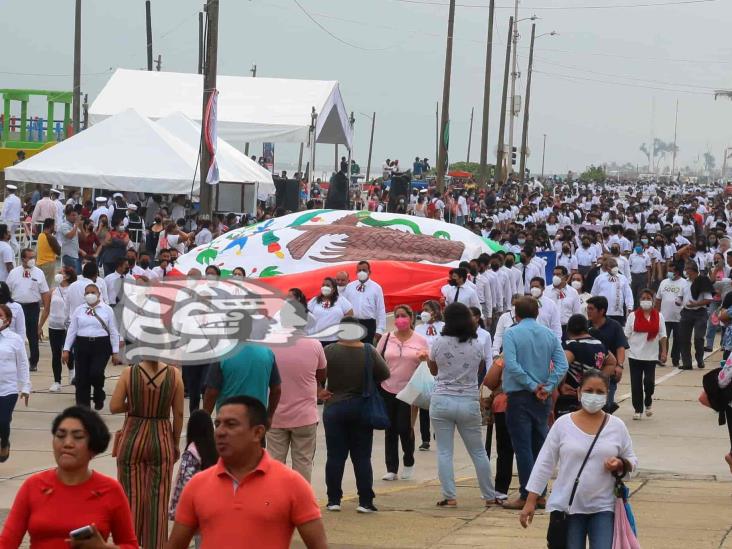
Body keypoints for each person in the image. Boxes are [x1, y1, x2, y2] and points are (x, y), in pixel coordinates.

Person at [165, 395, 327, 549]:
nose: (220, 432)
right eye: (218, 424)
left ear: (258, 432)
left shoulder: (293, 485)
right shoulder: (197, 485)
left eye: (231, 424)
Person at [519, 372, 638, 549]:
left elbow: (633, 463)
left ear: (607, 395)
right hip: (569, 508)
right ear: (579, 392)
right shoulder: (562, 424)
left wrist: (621, 464)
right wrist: (530, 500)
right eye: (589, 390)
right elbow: (544, 463)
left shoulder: (617, 426)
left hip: (604, 507)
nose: (594, 396)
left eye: (600, 392)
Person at [0, 406, 138, 548]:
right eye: (60, 435)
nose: (67, 443)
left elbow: (130, 544)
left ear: (94, 446)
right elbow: (6, 542)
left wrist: (103, 548)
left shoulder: (110, 490)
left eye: (78, 437)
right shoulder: (33, 485)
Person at [428, 302, 503, 507]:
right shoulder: (477, 343)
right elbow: (479, 368)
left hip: (442, 398)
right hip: (468, 399)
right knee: (478, 451)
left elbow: (434, 370)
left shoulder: (438, 341)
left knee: (444, 451)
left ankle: (449, 495)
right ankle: (489, 495)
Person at [502, 297, 569, 510]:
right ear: (537, 314)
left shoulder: (511, 333)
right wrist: (548, 387)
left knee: (522, 448)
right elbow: (562, 364)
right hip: (542, 397)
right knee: (540, 446)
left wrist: (532, 385)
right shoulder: (548, 334)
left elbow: (511, 365)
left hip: (521, 394)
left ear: (516, 314)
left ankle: (527, 493)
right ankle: (540, 492)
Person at [111, 358, 184, 548]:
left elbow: (114, 406)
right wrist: (175, 443)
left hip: (133, 437)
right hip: (161, 438)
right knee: (158, 501)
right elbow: (179, 414)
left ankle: (129, 544)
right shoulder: (174, 375)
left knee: (130, 499)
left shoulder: (129, 373)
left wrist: (134, 403)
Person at [322, 318, 390, 513]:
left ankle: (334, 500)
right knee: (361, 456)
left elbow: (318, 373)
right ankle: (365, 501)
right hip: (362, 407)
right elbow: (385, 374)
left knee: (335, 456)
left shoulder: (329, 351)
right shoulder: (369, 351)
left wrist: (322, 390)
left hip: (334, 406)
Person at [269, 302, 327, 482]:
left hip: (276, 415)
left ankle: (274, 503)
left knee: (275, 464)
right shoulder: (315, 345)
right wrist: (317, 387)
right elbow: (322, 372)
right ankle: (301, 504)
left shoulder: (271, 345)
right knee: (303, 464)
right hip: (305, 416)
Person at [377, 305, 428, 481]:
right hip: (387, 388)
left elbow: (427, 364)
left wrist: (424, 358)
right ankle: (391, 468)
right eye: (397, 316)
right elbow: (378, 360)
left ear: (411, 318)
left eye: (403, 316)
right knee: (390, 428)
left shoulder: (420, 340)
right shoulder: (386, 338)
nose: (400, 319)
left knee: (404, 427)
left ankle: (408, 460)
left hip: (409, 389)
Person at [63, 284, 121, 409]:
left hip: (101, 346)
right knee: (81, 379)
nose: (90, 295)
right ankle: (83, 409)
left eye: (93, 292)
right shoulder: (79, 310)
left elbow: (113, 331)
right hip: (82, 345)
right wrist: (66, 349)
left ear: (99, 293)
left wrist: (115, 351)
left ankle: (99, 393)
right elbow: (72, 330)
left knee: (96, 373)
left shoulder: (107, 310)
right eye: (87, 292)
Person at [168, 409, 217, 549]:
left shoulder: (192, 453)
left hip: (198, 509)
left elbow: (184, 483)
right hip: (216, 508)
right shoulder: (216, 451)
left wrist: (175, 510)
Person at [203, 343, 282, 422]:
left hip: (229, 422)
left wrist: (204, 420)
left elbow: (212, 393)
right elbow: (276, 390)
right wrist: (269, 416)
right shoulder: (267, 353)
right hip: (256, 422)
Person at [560, 314, 617, 418]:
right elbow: (612, 362)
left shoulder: (571, 345)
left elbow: (562, 365)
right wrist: (599, 377)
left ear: (569, 330)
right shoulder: (599, 344)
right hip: (593, 392)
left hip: (573, 394)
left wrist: (562, 385)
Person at [625, 289, 668, 420]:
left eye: (648, 298)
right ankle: (638, 409)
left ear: (653, 301)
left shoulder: (658, 316)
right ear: (639, 301)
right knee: (636, 384)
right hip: (635, 355)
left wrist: (664, 352)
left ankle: (648, 400)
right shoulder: (632, 316)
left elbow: (663, 336)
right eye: (643, 298)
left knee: (649, 382)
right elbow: (626, 335)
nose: (646, 300)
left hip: (651, 356)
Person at [6, 248, 50, 372]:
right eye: (30, 257)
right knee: (15, 335)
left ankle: (33, 362)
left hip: (32, 306)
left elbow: (45, 292)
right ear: (23, 258)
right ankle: (15, 359)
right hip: (16, 307)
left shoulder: (39, 273)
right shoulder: (14, 273)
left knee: (32, 335)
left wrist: (47, 307)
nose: (32, 260)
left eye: (34, 257)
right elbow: (7, 291)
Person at [586, 295, 628, 413]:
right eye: (587, 308)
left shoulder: (615, 326)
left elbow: (620, 347)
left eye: (591, 309)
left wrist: (619, 366)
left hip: (608, 373)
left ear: (601, 311)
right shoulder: (585, 326)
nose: (588, 311)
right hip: (589, 373)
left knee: (605, 407)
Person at [0, 304, 30, 463]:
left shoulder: (15, 339)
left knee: (3, 421)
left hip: (8, 388)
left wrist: (25, 387)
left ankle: (4, 442)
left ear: (8, 320)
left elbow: (23, 363)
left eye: (0, 316)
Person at [414, 299, 444, 451]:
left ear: (436, 311)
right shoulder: (419, 328)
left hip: (439, 369)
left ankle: (438, 432)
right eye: (422, 309)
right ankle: (425, 438)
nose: (423, 312)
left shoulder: (443, 327)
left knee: (437, 402)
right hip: (424, 367)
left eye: (427, 309)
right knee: (424, 402)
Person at [41, 267, 76, 391]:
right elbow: (46, 310)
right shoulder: (53, 291)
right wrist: (40, 326)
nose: (58, 274)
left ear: (67, 276)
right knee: (56, 353)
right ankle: (57, 381)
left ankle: (72, 372)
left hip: (68, 327)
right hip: (54, 326)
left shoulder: (73, 290)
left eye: (61, 273)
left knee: (68, 351)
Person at [678, 261, 714, 370]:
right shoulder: (684, 282)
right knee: (684, 338)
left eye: (686, 269)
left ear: (692, 269)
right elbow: (680, 296)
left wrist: (696, 304)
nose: (685, 271)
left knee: (698, 337)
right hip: (686, 312)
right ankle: (687, 363)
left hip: (700, 313)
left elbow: (709, 299)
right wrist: (678, 300)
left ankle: (699, 359)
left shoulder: (702, 281)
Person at [342, 261, 387, 344]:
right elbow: (343, 307)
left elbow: (381, 309)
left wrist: (380, 329)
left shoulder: (376, 288)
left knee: (367, 352)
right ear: (356, 272)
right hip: (352, 323)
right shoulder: (349, 287)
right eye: (359, 270)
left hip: (369, 324)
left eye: (364, 270)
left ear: (369, 272)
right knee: (352, 350)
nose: (361, 272)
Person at [654, 260, 688, 367]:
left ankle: (675, 358)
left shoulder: (684, 283)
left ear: (677, 272)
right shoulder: (664, 282)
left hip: (679, 317)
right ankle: (662, 357)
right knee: (663, 337)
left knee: (678, 339)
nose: (668, 273)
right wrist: (656, 313)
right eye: (668, 270)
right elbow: (658, 299)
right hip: (665, 316)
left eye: (671, 271)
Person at [307, 277, 354, 346]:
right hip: (317, 339)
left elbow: (350, 315)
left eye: (328, 285)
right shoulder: (314, 300)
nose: (324, 287)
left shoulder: (341, 300)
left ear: (334, 289)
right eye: (323, 285)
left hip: (335, 339)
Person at [590, 257, 634, 326]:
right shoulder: (600, 278)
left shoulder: (622, 278)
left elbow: (628, 293)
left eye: (616, 266)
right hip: (603, 312)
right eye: (612, 266)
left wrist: (629, 306)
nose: (615, 268)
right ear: (607, 268)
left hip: (618, 313)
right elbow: (593, 294)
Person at [546, 266, 582, 335]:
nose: (555, 277)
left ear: (565, 277)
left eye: (558, 274)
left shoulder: (573, 292)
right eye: (554, 274)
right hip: (550, 328)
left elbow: (577, 313)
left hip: (567, 329)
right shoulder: (546, 291)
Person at [36, 217, 61, 289]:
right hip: (48, 264)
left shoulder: (40, 235)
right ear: (50, 226)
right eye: (54, 225)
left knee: (40, 285)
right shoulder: (50, 237)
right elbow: (58, 251)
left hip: (39, 263)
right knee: (47, 285)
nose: (54, 227)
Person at [59, 206, 82, 275]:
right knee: (75, 276)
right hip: (68, 255)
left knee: (77, 276)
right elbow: (70, 236)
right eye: (73, 215)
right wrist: (76, 225)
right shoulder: (64, 225)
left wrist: (81, 226)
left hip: (75, 255)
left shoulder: (74, 226)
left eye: (75, 215)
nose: (75, 217)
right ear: (67, 216)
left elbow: (83, 237)